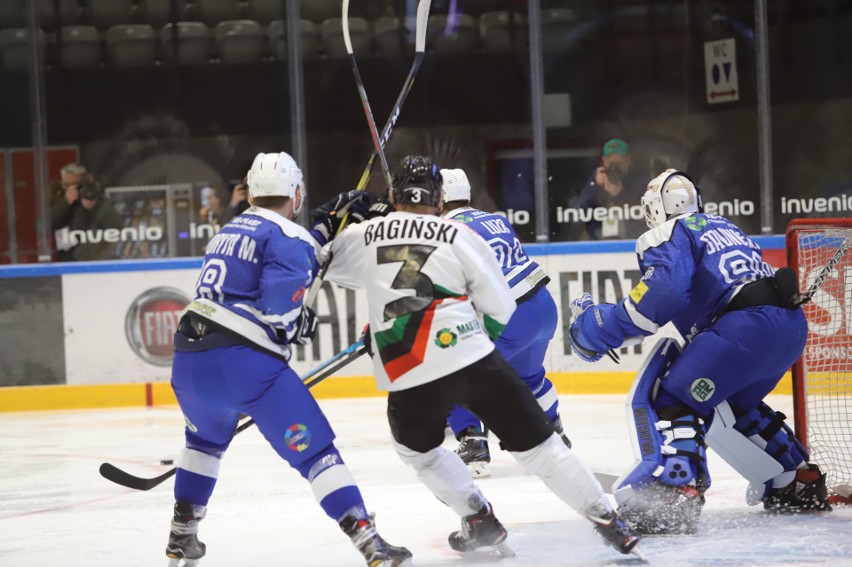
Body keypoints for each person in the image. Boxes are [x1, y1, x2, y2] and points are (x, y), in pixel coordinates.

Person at [324, 155, 641, 559]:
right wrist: (473, 341)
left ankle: (478, 518)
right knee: (541, 447)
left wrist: (335, 217)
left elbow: (317, 262)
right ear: (438, 199)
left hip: (411, 370)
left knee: (417, 452)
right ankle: (609, 521)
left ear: (391, 194)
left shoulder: (366, 236)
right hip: (473, 354)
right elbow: (497, 304)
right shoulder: (459, 234)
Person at [164, 152, 412, 567]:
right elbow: (280, 312)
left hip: (190, 361)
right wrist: (296, 323)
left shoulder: (228, 228)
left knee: (204, 443)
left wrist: (324, 224)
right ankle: (369, 542)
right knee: (316, 453)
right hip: (245, 365)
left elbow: (271, 250)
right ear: (296, 192)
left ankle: (181, 537)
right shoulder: (291, 239)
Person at [568, 169, 832, 535]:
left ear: (656, 208)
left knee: (675, 400)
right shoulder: (724, 225)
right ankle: (796, 479)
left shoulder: (670, 231)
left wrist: (598, 329)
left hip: (743, 328)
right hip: (788, 326)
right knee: (734, 404)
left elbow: (662, 296)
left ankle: (678, 491)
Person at [438, 167, 570, 478]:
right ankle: (554, 432)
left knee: (452, 368)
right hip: (543, 308)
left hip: (510, 315)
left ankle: (472, 439)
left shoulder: (444, 230)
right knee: (530, 377)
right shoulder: (494, 218)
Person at [571, 138, 647, 240]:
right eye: (611, 164)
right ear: (604, 161)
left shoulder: (640, 181)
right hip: (599, 243)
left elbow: (647, 216)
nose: (614, 169)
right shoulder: (596, 180)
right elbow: (577, 216)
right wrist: (595, 185)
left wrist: (620, 195)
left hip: (632, 242)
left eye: (619, 164)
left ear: (628, 160)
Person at [49, 163, 123, 261]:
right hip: (68, 259)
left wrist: (94, 205)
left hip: (97, 257)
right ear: (62, 185)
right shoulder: (57, 199)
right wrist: (65, 202)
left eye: (79, 186)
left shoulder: (96, 198)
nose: (75, 190)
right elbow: (43, 227)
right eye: (70, 185)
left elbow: (116, 227)